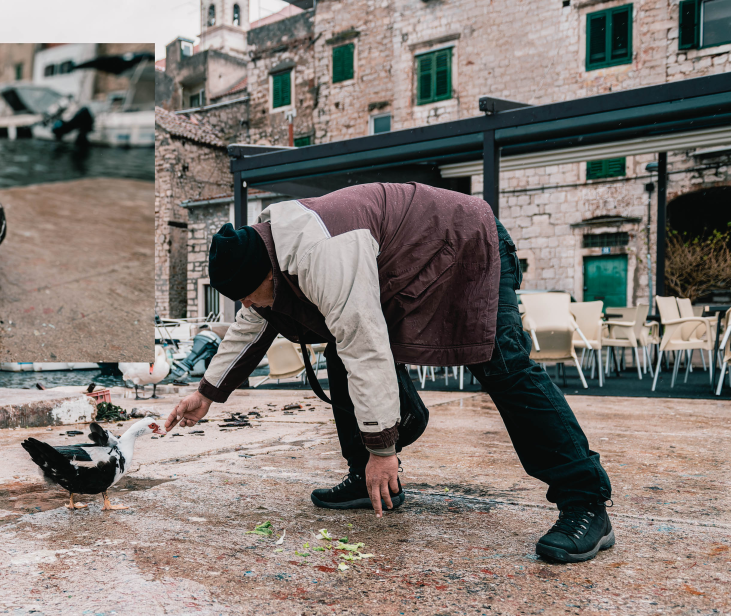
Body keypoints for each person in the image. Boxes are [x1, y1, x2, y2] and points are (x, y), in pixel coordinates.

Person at [164, 182, 615, 564]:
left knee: (505, 368)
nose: (247, 304)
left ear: (268, 270)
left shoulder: (322, 252)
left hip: (468, 243)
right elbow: (255, 321)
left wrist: (383, 447)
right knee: (341, 349)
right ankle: (368, 475)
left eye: (248, 293)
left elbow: (365, 343)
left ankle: (585, 503)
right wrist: (206, 393)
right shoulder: (269, 249)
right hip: (414, 260)